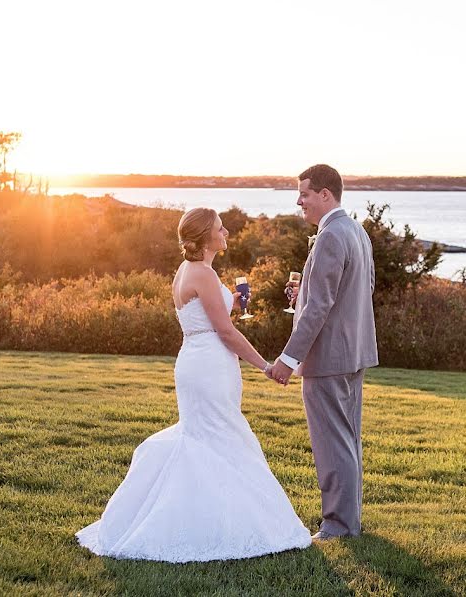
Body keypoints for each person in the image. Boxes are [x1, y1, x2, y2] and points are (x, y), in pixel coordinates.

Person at [76, 207, 311, 562]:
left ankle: (210, 518)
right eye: (221, 228)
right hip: (209, 366)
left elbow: (209, 316)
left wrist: (231, 299)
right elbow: (226, 331)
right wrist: (265, 365)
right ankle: (218, 526)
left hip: (198, 360)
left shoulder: (191, 270)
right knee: (220, 436)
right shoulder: (200, 272)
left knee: (207, 437)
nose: (227, 232)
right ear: (205, 237)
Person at [268, 164, 378, 540]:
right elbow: (362, 288)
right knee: (347, 438)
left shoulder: (331, 235)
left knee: (332, 443)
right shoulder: (357, 231)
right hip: (354, 354)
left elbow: (320, 307)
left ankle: (338, 524)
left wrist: (287, 359)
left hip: (328, 358)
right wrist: (306, 296)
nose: (299, 201)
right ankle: (350, 520)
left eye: (305, 194)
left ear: (325, 195)